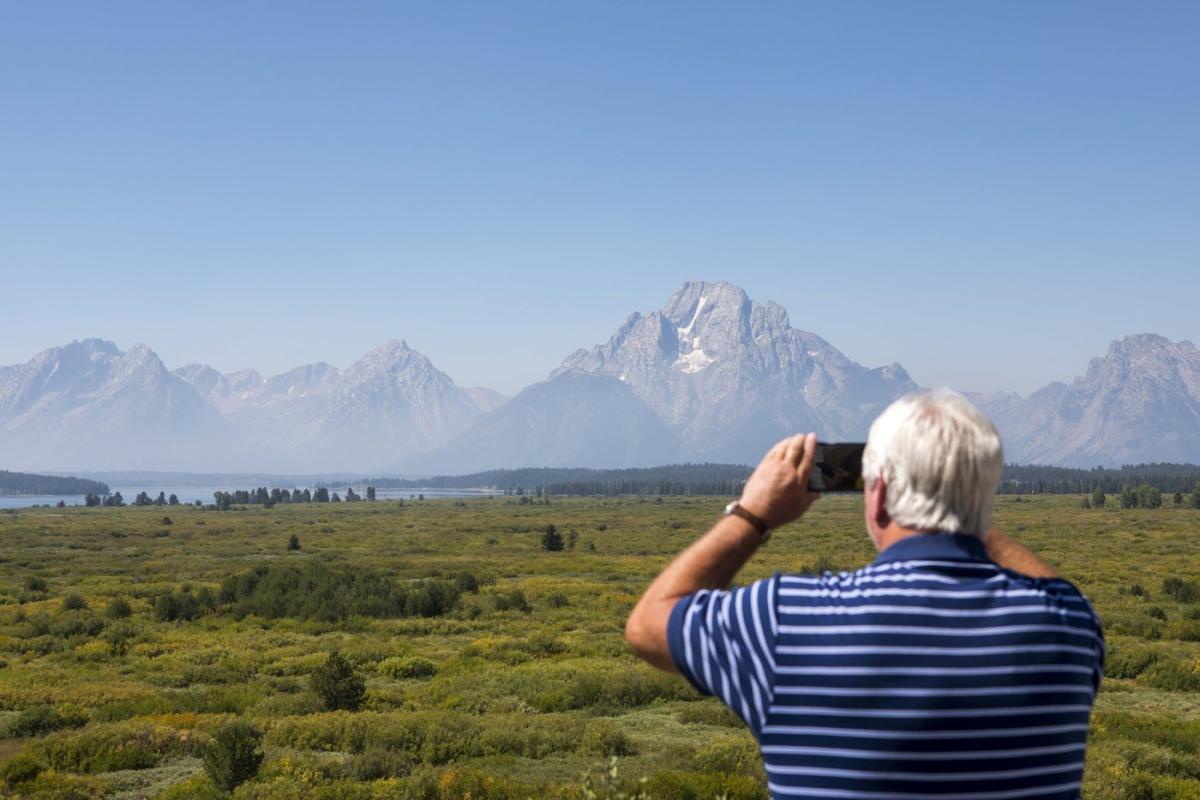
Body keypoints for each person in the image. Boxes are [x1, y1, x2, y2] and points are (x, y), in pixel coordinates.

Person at [626, 390, 1104, 800]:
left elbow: (649, 623)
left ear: (877, 497)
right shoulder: (1069, 627)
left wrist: (754, 513)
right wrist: (960, 507)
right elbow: (1055, 588)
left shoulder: (785, 619)